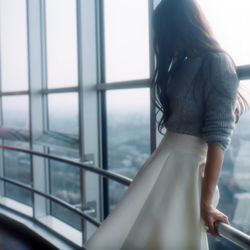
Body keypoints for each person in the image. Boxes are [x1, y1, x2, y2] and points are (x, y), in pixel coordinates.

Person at [85, 0, 246, 249]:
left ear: (185, 25)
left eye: (168, 31)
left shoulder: (216, 62)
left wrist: (206, 204)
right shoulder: (181, 64)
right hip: (162, 164)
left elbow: (218, 138)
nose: (165, 40)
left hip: (186, 173)